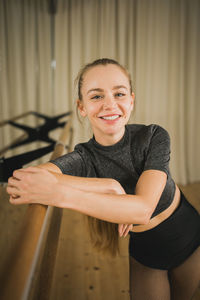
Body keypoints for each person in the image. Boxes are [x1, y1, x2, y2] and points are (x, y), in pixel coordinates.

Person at [7, 58, 200, 300]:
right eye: (97, 96)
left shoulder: (153, 135)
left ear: (132, 101)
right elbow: (24, 180)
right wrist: (108, 186)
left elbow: (141, 210)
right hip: (147, 255)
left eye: (119, 94)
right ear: (82, 107)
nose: (110, 104)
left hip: (190, 237)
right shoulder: (83, 158)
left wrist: (59, 192)